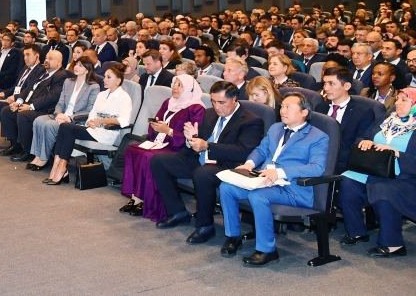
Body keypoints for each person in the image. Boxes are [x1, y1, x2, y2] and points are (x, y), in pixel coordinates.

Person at [218, 92, 329, 266]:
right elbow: (261, 150)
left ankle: (267, 250)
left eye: (288, 107)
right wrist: (249, 164)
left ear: (304, 112)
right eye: (282, 106)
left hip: (292, 188)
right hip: (265, 180)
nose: (282, 111)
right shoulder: (276, 128)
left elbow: (317, 168)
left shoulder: (318, 137)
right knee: (227, 188)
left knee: (258, 196)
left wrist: (280, 172)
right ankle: (233, 237)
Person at [151, 81, 266, 243]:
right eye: (213, 101)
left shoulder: (250, 120)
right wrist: (192, 139)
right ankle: (177, 212)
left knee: (203, 173)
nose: (217, 107)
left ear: (234, 99)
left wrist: (207, 146)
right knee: (158, 161)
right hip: (200, 158)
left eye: (222, 102)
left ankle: (205, 226)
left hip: (226, 165)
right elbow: (201, 141)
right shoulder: (209, 113)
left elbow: (243, 151)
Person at [338, 88, 416, 256]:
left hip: (404, 176)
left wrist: (395, 152)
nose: (397, 103)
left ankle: (393, 244)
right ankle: (357, 231)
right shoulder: (388, 118)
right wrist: (365, 142)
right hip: (375, 169)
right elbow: (362, 136)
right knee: (347, 181)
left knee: (383, 188)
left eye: (404, 100)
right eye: (397, 99)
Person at [120, 74, 205, 220]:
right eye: (174, 84)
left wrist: (169, 131)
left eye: (179, 85)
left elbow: (193, 138)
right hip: (160, 142)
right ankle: (136, 198)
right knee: (133, 149)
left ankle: (148, 202)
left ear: (189, 89)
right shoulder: (168, 102)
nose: (174, 88)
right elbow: (157, 121)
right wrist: (156, 126)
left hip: (178, 148)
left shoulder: (196, 108)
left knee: (149, 156)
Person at [43, 62, 132, 186]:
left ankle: (62, 168)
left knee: (68, 128)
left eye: (108, 77)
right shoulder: (102, 94)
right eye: (105, 76)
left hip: (107, 133)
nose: (104, 80)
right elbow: (92, 113)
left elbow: (124, 120)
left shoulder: (124, 97)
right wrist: (91, 121)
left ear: (118, 81)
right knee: (64, 127)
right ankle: (57, 166)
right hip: (93, 129)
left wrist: (101, 121)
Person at [25, 56, 99, 171]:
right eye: (76, 64)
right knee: (38, 121)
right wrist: (59, 113)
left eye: (80, 65)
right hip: (61, 115)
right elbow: (60, 102)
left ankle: (43, 159)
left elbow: (89, 110)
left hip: (75, 120)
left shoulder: (93, 86)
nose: (76, 67)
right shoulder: (68, 81)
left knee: (48, 125)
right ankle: (37, 156)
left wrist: (69, 118)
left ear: (87, 69)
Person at [0, 49, 70, 160]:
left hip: (45, 109)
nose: (46, 60)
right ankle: (15, 145)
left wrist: (31, 106)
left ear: (59, 62)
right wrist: (19, 102)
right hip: (29, 104)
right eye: (46, 58)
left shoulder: (61, 76)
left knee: (24, 115)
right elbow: (28, 88)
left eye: (50, 59)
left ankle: (27, 151)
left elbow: (51, 97)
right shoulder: (42, 71)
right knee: (7, 111)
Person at [317, 67, 380, 174]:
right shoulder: (320, 107)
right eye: (324, 83)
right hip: (316, 156)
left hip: (342, 163)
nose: (326, 88)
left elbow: (358, 143)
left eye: (331, 83)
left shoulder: (363, 112)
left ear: (347, 86)